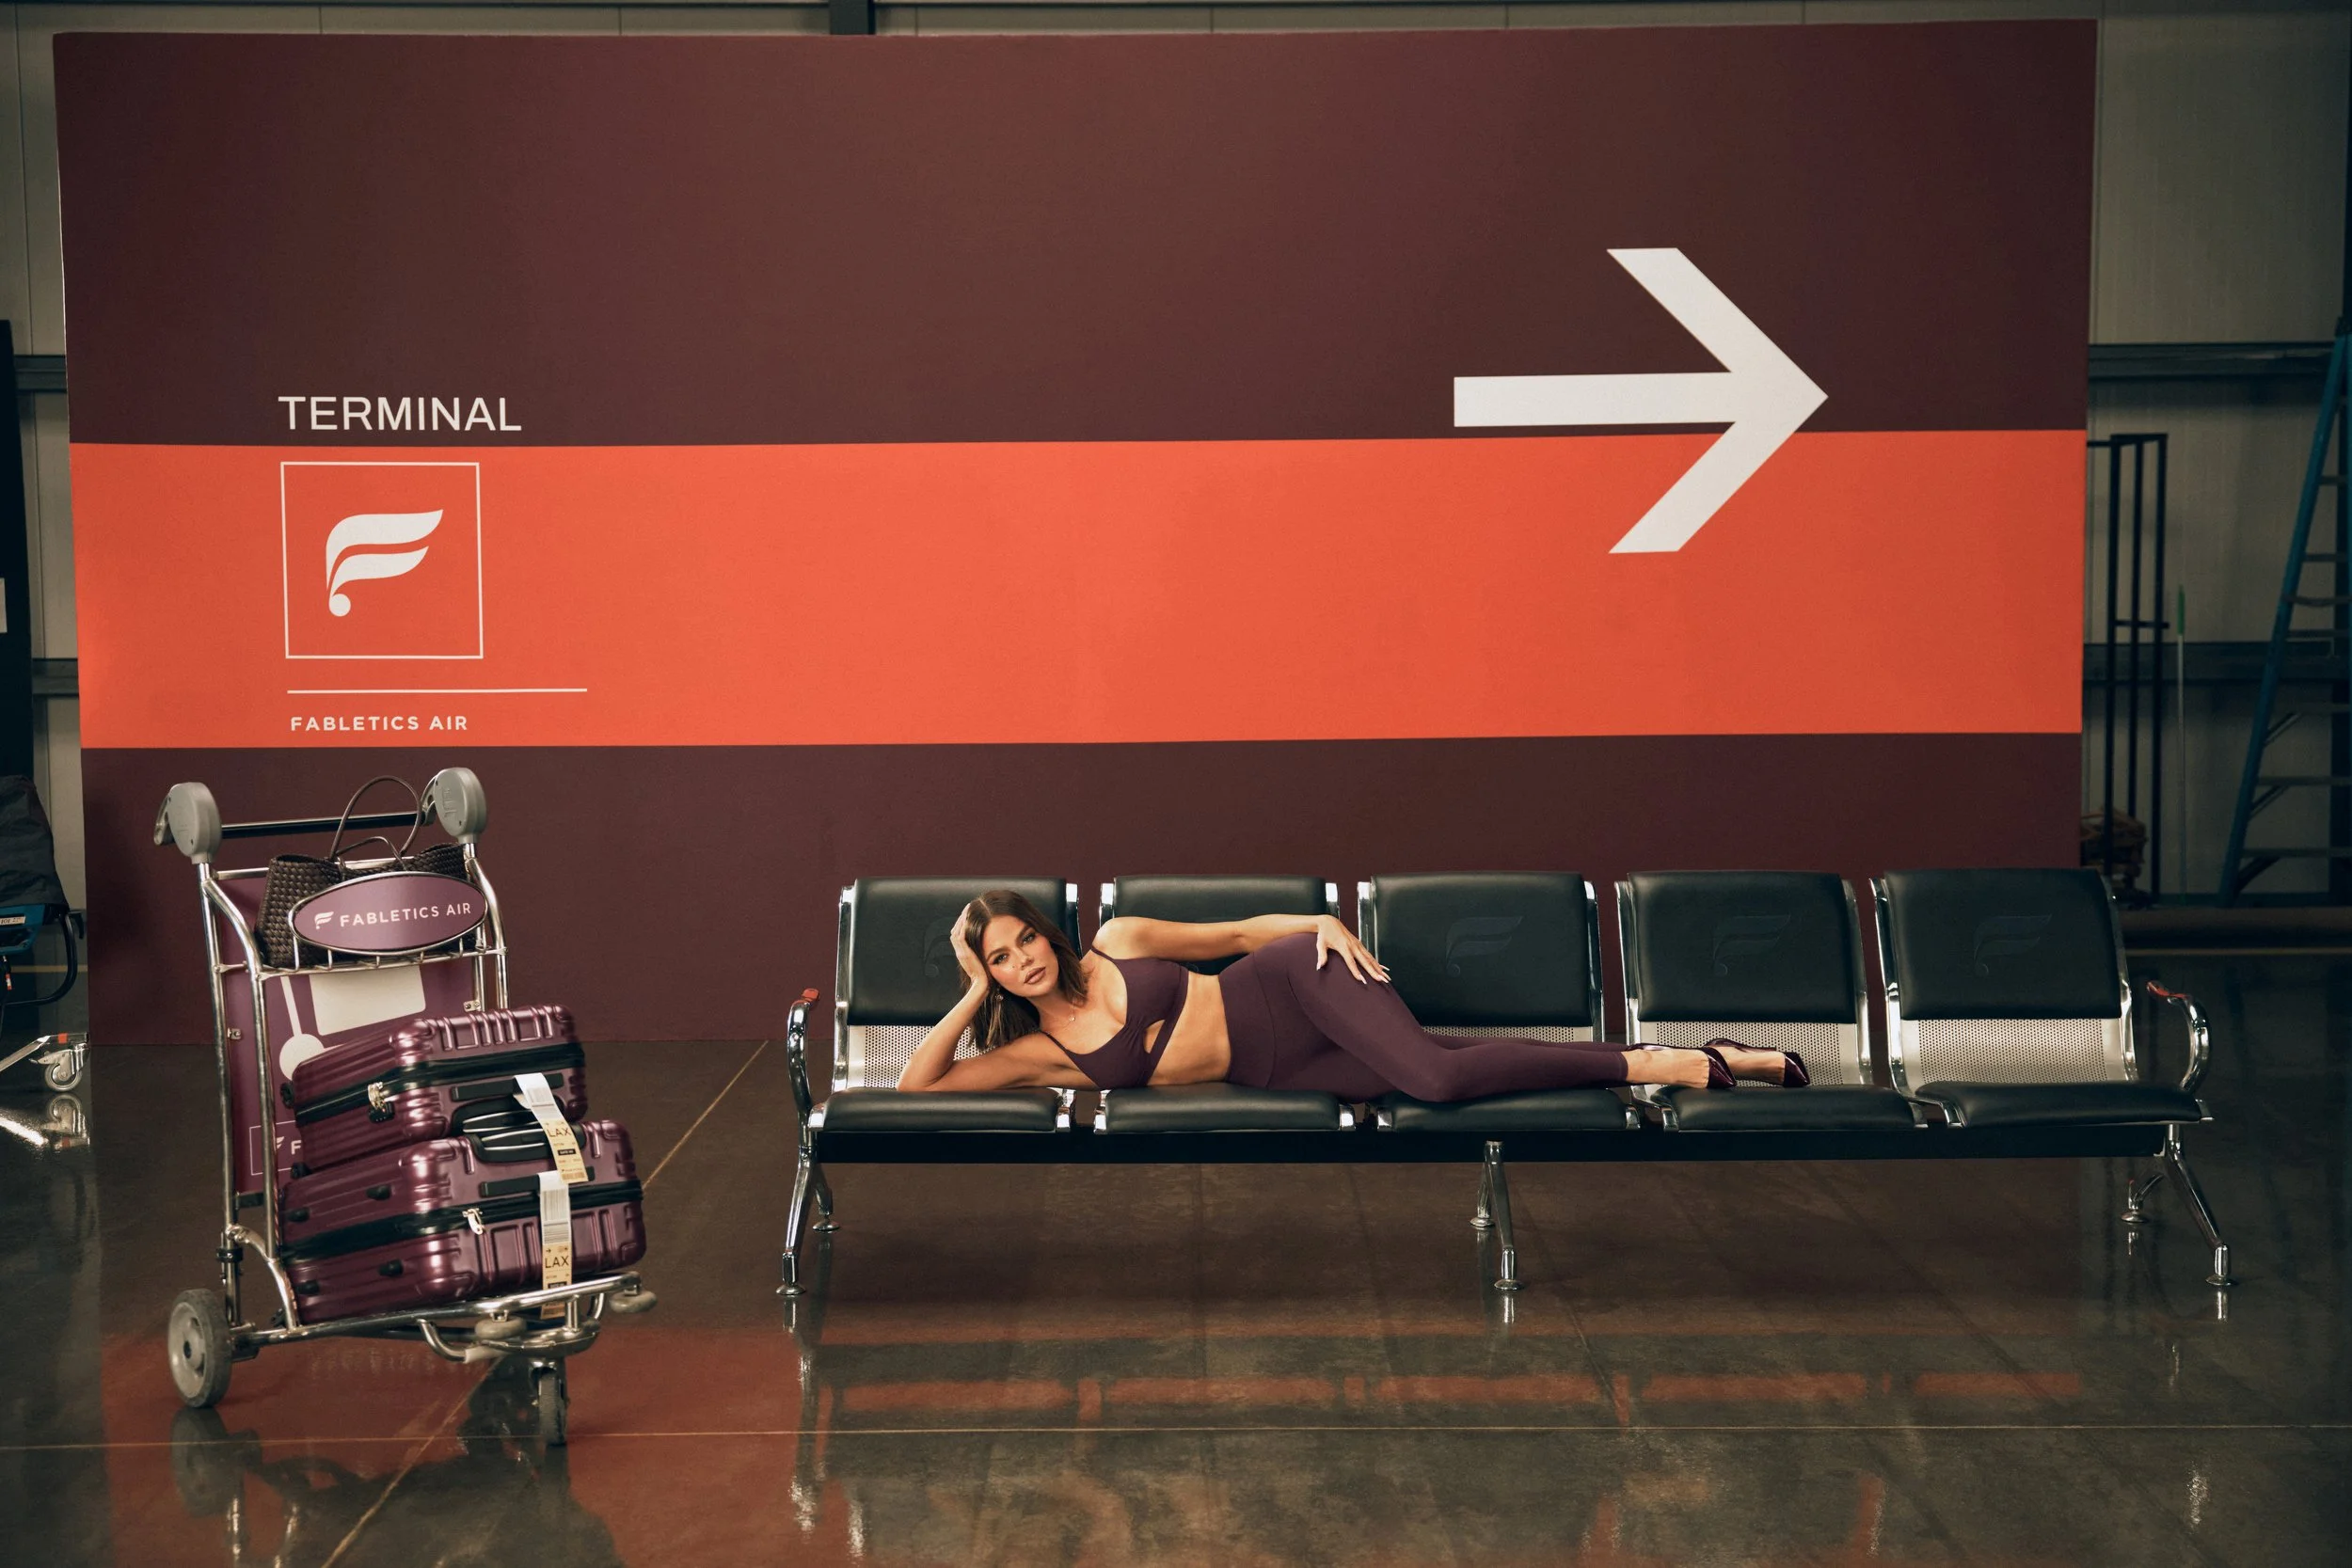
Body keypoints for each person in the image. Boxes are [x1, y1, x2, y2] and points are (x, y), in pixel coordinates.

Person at [897, 888, 1808, 1101]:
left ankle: (1667, 1064)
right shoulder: (1043, 1050)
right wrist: (969, 992)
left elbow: (1243, 938)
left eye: (1022, 942)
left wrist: (1319, 926)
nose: (1023, 962)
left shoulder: (1116, 942)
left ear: (1046, 933)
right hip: (1284, 1068)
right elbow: (916, 1088)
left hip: (1296, 982)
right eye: (1002, 961)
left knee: (1438, 1084)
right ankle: (1720, 1056)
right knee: (1449, 1064)